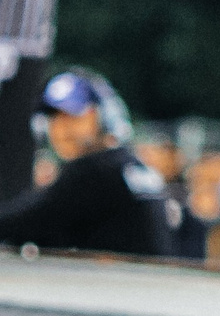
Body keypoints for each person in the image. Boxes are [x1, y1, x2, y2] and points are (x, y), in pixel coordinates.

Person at [0, 67, 171, 256]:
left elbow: (21, 222)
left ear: (105, 116)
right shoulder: (130, 165)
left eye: (74, 116)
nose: (61, 129)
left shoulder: (94, 172)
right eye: (53, 117)